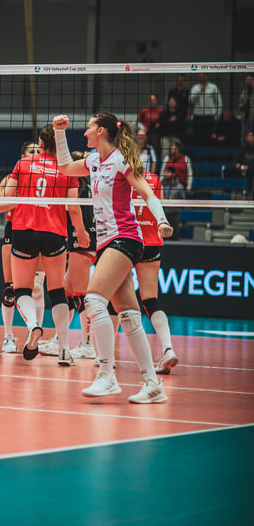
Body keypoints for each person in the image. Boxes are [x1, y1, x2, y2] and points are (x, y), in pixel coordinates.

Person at [54, 111, 172, 403]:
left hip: (126, 238)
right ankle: (153, 385)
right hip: (107, 242)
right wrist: (59, 132)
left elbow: (146, 192)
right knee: (129, 316)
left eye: (89, 127)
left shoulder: (121, 160)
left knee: (94, 300)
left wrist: (161, 219)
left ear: (102, 131)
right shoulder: (93, 161)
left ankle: (106, 375)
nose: (85, 132)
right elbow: (65, 167)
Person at [0, 126, 85, 364]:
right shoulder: (67, 169)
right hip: (54, 233)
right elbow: (73, 208)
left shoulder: (23, 164)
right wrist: (82, 233)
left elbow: (5, 202)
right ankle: (64, 350)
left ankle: (33, 325)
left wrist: (25, 200)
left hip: (23, 231)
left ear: (41, 142)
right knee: (57, 291)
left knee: (22, 289)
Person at [0, 141, 40, 353]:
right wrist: (21, 201)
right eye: (31, 151)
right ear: (22, 156)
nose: (35, 154)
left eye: (38, 151)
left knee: (37, 289)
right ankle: (8, 337)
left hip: (40, 230)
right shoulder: (11, 178)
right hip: (14, 230)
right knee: (9, 289)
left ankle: (33, 333)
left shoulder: (49, 176)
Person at [132, 169, 178, 374]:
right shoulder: (154, 178)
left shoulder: (120, 174)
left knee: (114, 299)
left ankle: (106, 358)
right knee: (150, 300)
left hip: (128, 240)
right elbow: (157, 204)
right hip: (151, 242)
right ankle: (168, 348)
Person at [63, 151, 99, 362]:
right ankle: (60, 338)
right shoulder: (88, 183)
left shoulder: (78, 184)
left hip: (82, 240)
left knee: (81, 295)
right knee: (68, 292)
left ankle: (87, 345)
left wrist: (81, 232)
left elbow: (73, 209)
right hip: (82, 238)